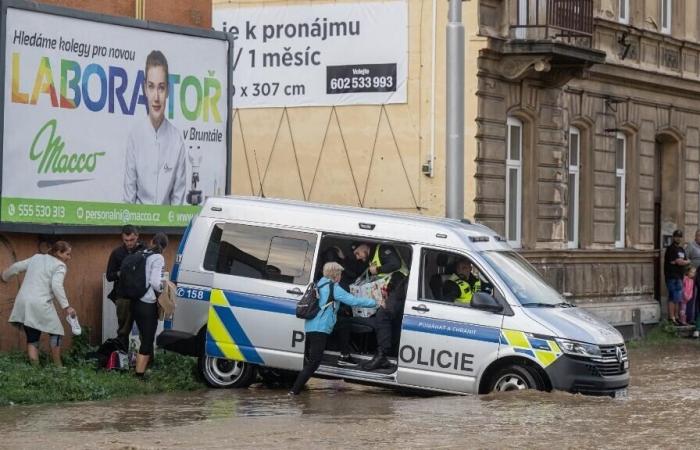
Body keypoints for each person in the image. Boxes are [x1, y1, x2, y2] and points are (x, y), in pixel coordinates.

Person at [289, 262, 376, 395]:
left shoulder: (319, 283)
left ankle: (344, 354)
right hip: (320, 328)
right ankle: (294, 392)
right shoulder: (333, 287)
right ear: (335, 275)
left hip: (311, 326)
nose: (341, 276)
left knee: (342, 325)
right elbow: (353, 301)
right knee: (314, 363)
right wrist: (375, 302)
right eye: (340, 273)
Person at [123, 50, 186, 205]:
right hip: (138, 227)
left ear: (168, 91)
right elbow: (128, 198)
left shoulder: (176, 140)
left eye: (161, 88)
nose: (156, 97)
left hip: (167, 228)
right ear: (145, 89)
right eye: (151, 87)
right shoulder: (135, 136)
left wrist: (167, 229)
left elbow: (177, 201)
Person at [2, 241, 76, 367]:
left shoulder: (37, 258)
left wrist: (4, 276)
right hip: (40, 303)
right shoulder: (60, 266)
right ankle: (58, 367)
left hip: (23, 302)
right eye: (67, 254)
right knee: (56, 332)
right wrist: (67, 307)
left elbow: (16, 267)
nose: (69, 258)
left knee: (32, 338)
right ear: (59, 253)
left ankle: (35, 371)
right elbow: (56, 286)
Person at [352, 242, 409, 371]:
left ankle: (382, 355)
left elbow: (396, 264)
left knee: (383, 315)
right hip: (391, 289)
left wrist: (377, 270)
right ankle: (384, 354)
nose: (357, 257)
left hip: (400, 286)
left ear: (364, 246)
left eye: (357, 253)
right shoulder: (372, 257)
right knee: (385, 318)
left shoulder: (383, 248)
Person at [132, 233, 169, 378]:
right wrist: (163, 288)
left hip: (136, 301)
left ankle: (140, 370)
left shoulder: (142, 253)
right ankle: (139, 375)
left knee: (143, 337)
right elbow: (154, 282)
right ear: (164, 247)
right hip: (148, 303)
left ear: (151, 241)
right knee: (147, 340)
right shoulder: (158, 257)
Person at [105, 224, 144, 350]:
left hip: (142, 296)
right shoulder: (117, 253)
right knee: (123, 331)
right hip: (123, 297)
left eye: (132, 240)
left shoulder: (144, 250)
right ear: (122, 238)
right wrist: (120, 273)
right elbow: (109, 276)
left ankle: (145, 361)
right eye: (126, 240)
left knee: (144, 330)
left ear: (137, 236)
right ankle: (122, 360)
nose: (129, 243)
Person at [664, 229, 689, 325]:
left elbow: (685, 261)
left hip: (680, 276)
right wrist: (681, 262)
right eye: (677, 236)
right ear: (673, 237)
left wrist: (682, 262)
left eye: (680, 237)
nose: (678, 238)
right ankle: (672, 318)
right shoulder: (671, 249)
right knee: (672, 297)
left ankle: (677, 317)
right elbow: (679, 262)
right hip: (671, 276)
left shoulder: (681, 249)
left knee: (678, 298)